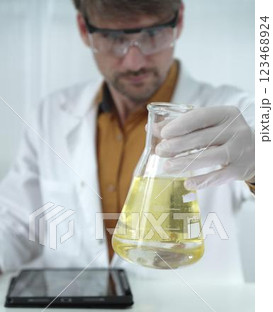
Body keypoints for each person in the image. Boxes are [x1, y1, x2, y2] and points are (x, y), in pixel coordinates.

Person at [0, 0, 254, 282]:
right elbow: (17, 223)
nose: (135, 61)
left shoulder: (237, 114)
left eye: (153, 34)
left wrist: (259, 164)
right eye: (113, 38)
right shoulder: (51, 114)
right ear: (84, 30)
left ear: (178, 20)